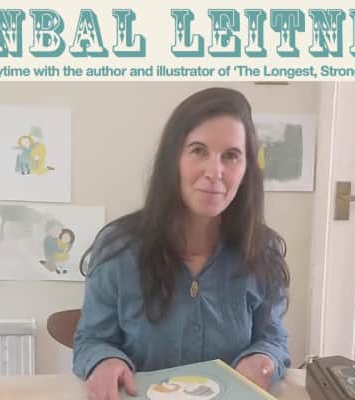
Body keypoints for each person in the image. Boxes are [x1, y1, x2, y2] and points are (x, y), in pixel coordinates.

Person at [72, 87, 291, 399]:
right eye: (198, 151)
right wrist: (103, 360)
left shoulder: (263, 251)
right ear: (173, 159)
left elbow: (274, 339)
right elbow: (91, 340)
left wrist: (264, 358)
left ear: (246, 170)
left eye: (231, 156)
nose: (214, 172)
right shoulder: (118, 248)